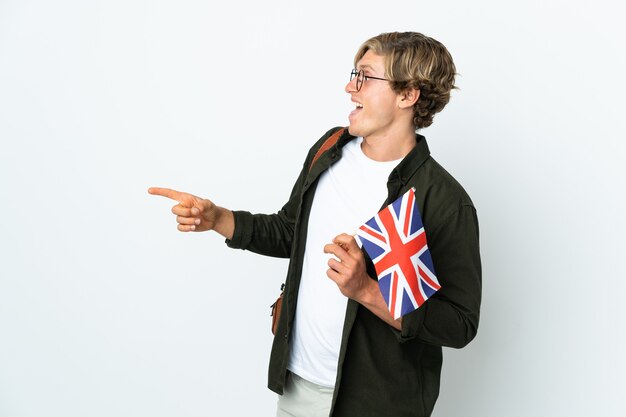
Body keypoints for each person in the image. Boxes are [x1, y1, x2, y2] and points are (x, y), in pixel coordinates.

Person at [149, 32, 481, 417]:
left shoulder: (442, 200)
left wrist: (366, 290)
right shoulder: (330, 149)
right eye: (352, 74)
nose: (348, 87)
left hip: (378, 404)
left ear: (408, 95)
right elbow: (293, 232)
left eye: (365, 77)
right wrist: (218, 219)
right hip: (299, 388)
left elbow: (459, 324)